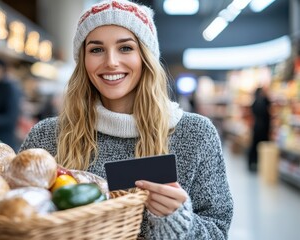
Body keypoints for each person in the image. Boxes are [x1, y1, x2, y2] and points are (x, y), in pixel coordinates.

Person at [20, 0, 233, 239]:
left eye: (125, 48)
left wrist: (178, 221)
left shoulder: (195, 134)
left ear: (146, 56)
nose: (111, 61)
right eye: (96, 49)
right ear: (83, 61)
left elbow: (217, 232)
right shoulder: (47, 137)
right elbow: (13, 215)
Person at [247, 87, 271, 171]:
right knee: (258, 147)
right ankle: (257, 164)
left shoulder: (255, 102)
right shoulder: (261, 102)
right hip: (261, 129)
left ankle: (253, 164)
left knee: (255, 147)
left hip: (257, 128)